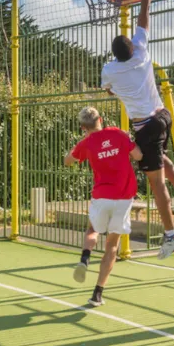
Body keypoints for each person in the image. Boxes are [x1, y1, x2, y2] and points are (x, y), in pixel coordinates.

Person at [100, 0, 174, 260]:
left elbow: (108, 91)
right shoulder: (141, 51)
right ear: (132, 44)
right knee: (160, 159)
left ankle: (172, 235)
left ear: (115, 54)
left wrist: (119, 91)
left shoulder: (109, 70)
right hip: (163, 116)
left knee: (156, 186)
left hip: (145, 125)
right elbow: (144, 10)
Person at [64, 106, 142, 307]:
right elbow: (139, 156)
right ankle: (97, 293)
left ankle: (85, 258)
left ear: (83, 127)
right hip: (124, 197)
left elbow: (67, 161)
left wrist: (74, 151)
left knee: (92, 229)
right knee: (112, 245)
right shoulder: (117, 133)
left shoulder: (86, 143)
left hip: (102, 195)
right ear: (100, 118)